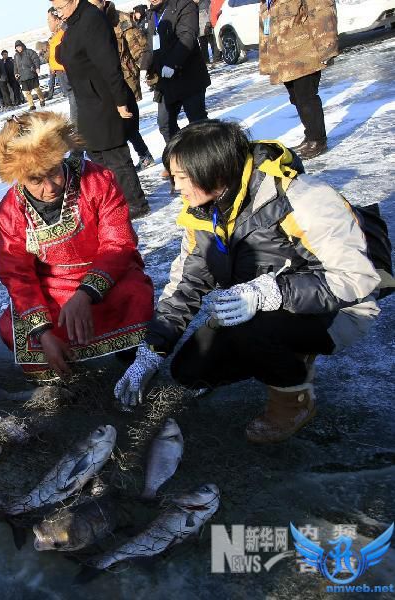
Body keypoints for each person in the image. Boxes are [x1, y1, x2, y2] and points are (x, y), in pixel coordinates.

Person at [115, 120, 385, 443]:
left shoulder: (301, 198)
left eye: (182, 177)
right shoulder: (202, 213)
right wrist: (151, 352)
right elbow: (186, 285)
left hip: (340, 311)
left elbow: (358, 278)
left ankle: (293, 400)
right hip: (255, 305)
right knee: (188, 371)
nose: (176, 187)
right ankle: (283, 349)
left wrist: (274, 292)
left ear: (214, 170)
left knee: (253, 328)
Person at [0, 111, 154, 382]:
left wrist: (85, 294)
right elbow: (17, 275)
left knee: (135, 295)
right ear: (19, 177)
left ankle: (131, 355)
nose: (50, 186)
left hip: (105, 274)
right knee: (13, 329)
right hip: (52, 287)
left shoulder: (98, 181)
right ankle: (62, 373)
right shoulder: (9, 213)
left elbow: (119, 243)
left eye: (54, 171)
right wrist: (43, 334)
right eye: (35, 180)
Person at [51, 0, 150, 218]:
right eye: (56, 10)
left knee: (114, 152)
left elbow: (109, 63)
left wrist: (120, 101)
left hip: (104, 98)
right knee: (96, 152)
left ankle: (136, 203)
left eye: (61, 8)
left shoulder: (91, 19)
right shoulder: (73, 23)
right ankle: (116, 199)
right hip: (88, 101)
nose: (60, 14)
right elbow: (63, 55)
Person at [259, 0, 337, 159]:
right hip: (285, 57)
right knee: (296, 98)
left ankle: (317, 140)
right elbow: (267, 28)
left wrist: (326, 48)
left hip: (305, 52)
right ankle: (310, 136)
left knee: (306, 98)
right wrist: (268, 60)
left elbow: (322, 10)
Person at [140, 0, 211, 144]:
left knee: (198, 124)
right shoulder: (152, 13)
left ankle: (208, 158)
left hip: (189, 77)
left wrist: (172, 63)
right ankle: (179, 157)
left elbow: (187, 36)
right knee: (165, 124)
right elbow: (150, 44)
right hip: (165, 81)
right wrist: (143, 66)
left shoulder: (184, 5)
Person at [100, 0, 156, 170]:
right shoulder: (93, 22)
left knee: (126, 121)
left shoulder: (120, 19)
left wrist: (151, 76)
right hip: (107, 81)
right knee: (121, 123)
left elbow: (139, 49)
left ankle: (139, 157)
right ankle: (140, 156)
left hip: (125, 77)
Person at [46, 8, 77, 125]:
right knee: (72, 97)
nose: (48, 23)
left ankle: (77, 126)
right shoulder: (56, 34)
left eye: (49, 20)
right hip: (61, 71)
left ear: (57, 20)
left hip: (66, 71)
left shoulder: (65, 31)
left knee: (74, 97)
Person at [13, 40, 46, 111]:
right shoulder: (16, 56)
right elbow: (15, 66)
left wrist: (37, 67)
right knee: (27, 92)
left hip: (31, 73)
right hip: (23, 76)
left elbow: (36, 59)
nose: (19, 48)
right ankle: (31, 105)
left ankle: (42, 99)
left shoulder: (29, 51)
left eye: (19, 46)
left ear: (22, 46)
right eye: (17, 47)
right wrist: (16, 73)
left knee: (37, 88)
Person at [195, 0, 219, 65]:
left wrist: (208, 24)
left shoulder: (205, 2)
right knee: (203, 47)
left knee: (213, 43)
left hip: (207, 27)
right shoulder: (195, 6)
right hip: (200, 30)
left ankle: (216, 59)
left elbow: (210, 13)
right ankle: (206, 61)